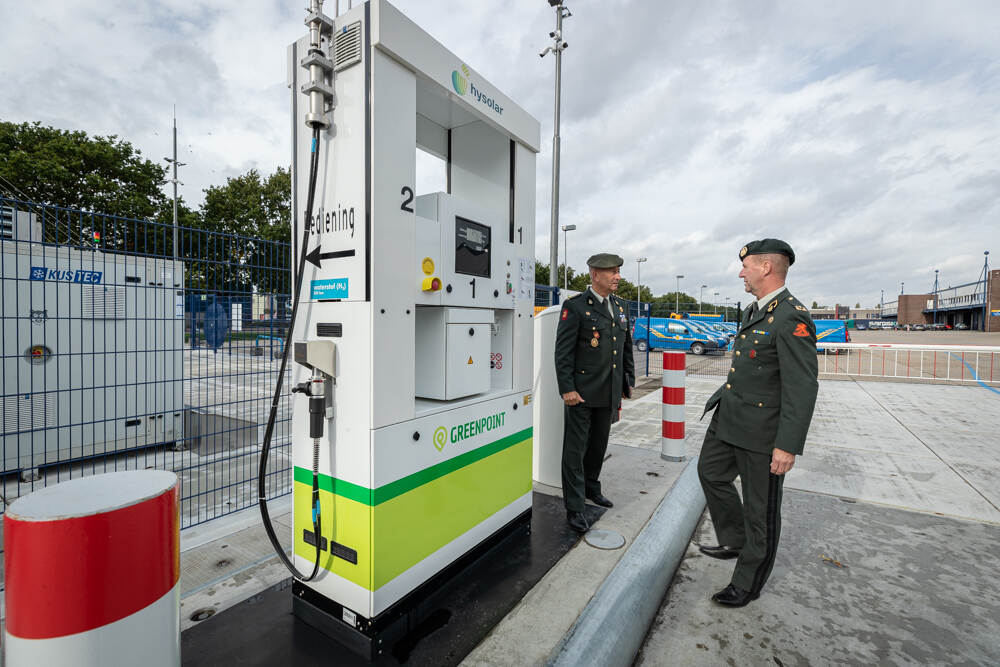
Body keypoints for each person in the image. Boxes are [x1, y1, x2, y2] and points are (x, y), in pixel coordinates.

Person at [697, 238, 818, 606]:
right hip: (731, 417)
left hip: (763, 432)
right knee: (710, 472)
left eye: (746, 266)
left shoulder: (791, 315)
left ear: (765, 267)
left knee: (760, 510)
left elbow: (801, 385)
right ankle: (734, 539)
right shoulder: (757, 309)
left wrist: (787, 444)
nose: (741, 272)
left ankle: (748, 582)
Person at [554, 253, 635, 533]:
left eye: (618, 271)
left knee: (598, 446)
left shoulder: (620, 307)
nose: (617, 276)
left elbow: (625, 346)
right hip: (582, 393)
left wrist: (627, 380)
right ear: (594, 274)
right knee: (575, 451)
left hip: (608, 390)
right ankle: (575, 507)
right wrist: (567, 389)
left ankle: (592, 489)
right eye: (612, 271)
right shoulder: (575, 307)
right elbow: (563, 353)